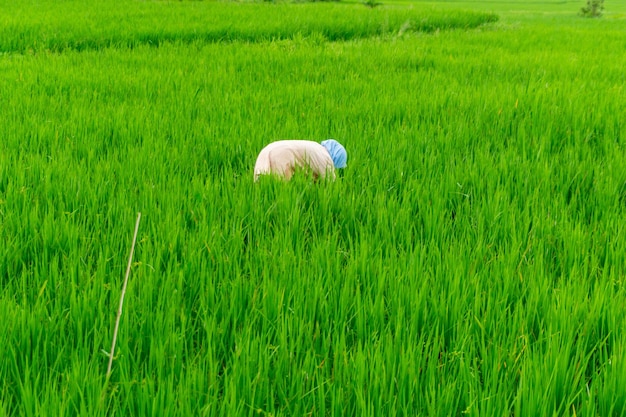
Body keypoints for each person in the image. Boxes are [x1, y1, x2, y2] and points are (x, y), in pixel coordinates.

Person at [253, 139, 347, 182]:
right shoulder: (326, 158)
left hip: (267, 151)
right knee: (281, 194)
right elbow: (331, 185)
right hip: (281, 158)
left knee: (263, 187)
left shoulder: (316, 148)